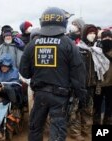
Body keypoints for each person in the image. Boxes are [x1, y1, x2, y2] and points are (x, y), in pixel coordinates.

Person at [19, 7, 87, 141]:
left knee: (35, 127)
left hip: (40, 95)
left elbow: (24, 72)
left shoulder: (32, 44)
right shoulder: (69, 44)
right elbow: (78, 73)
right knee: (57, 131)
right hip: (60, 97)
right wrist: (81, 96)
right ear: (63, 23)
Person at [93, 30, 112, 125]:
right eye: (106, 37)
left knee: (105, 106)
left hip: (104, 83)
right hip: (99, 83)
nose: (108, 39)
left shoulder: (97, 49)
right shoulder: (96, 50)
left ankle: (104, 125)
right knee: (99, 105)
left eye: (109, 37)